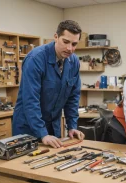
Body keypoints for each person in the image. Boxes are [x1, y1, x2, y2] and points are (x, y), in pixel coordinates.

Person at [12, 20, 85, 148]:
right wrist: (42, 133)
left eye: (74, 44)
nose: (70, 49)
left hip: (53, 128)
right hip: (28, 127)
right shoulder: (35, 59)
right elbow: (30, 100)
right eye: (66, 42)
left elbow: (73, 98)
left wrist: (72, 126)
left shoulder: (74, 62)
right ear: (56, 37)